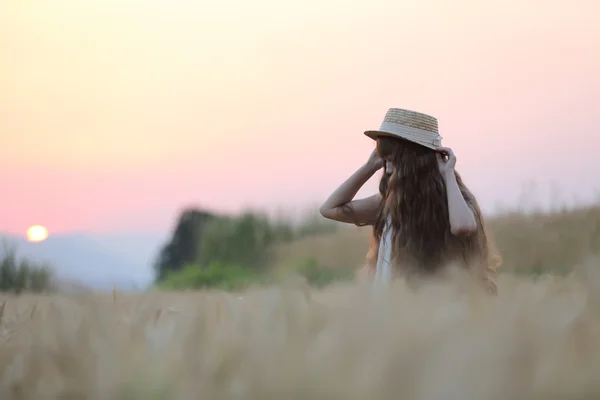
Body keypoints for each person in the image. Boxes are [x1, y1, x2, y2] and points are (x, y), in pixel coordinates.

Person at [319, 108, 498, 292]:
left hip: (438, 310)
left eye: (392, 160)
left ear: (415, 161)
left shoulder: (453, 198)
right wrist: (368, 167)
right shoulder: (387, 203)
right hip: (395, 313)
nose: (387, 170)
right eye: (384, 159)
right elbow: (330, 209)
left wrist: (448, 173)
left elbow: (463, 227)